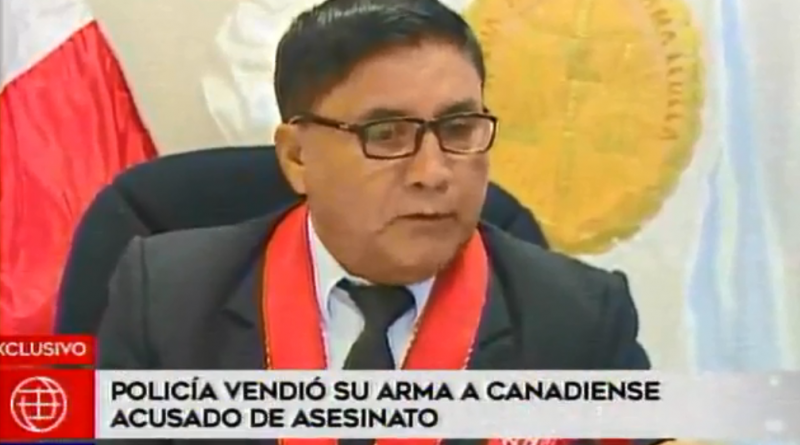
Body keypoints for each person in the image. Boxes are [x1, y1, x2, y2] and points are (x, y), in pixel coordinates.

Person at [97, 1, 684, 444]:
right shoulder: (165, 298)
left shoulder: (580, 320)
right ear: (297, 157)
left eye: (459, 129)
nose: (433, 172)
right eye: (386, 135)